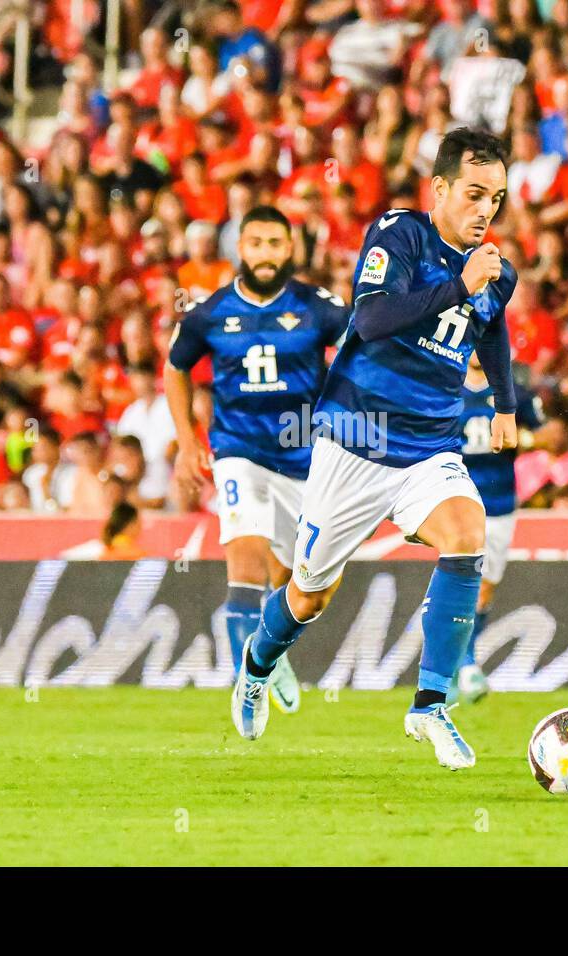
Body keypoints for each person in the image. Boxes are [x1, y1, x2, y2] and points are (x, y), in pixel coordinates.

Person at [229, 128, 518, 771]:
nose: (485, 210)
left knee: (467, 534)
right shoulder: (400, 234)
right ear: (439, 188)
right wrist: (458, 286)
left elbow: (492, 327)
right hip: (354, 441)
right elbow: (372, 320)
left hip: (429, 446)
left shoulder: (495, 270)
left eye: (496, 199)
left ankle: (431, 705)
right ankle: (257, 663)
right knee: (310, 594)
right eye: (474, 194)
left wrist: (503, 404)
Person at [166, 205, 349, 713]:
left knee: (306, 589)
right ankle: (245, 684)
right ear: (239, 249)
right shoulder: (210, 312)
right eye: (256, 243)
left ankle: (272, 651)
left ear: (290, 249)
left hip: (302, 455)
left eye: (275, 243)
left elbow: (362, 355)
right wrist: (187, 440)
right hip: (237, 450)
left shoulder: (320, 307)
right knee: (244, 557)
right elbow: (174, 366)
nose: (265, 254)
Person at [446, 351, 543, 706]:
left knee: (485, 590)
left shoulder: (512, 392)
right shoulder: (445, 388)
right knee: (463, 578)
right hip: (456, 497)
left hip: (500, 502)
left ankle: (458, 664)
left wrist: (527, 439)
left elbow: (550, 435)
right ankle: (466, 664)